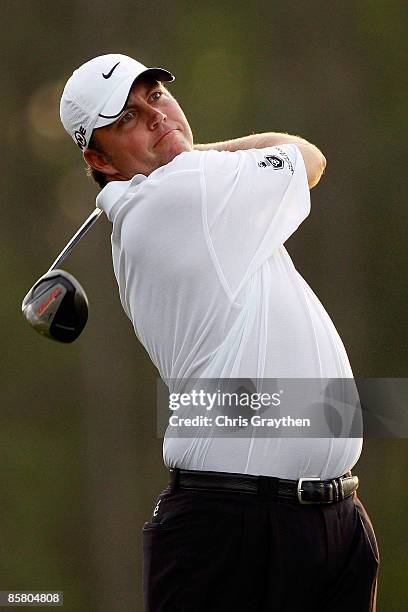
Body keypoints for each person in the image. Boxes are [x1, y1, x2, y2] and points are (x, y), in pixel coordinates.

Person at [60, 53, 379, 612]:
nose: (156, 116)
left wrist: (180, 157)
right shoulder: (179, 197)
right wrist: (192, 156)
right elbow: (307, 157)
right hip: (235, 529)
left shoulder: (193, 197)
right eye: (128, 118)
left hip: (329, 522)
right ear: (98, 158)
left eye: (155, 96)